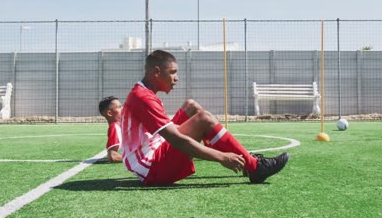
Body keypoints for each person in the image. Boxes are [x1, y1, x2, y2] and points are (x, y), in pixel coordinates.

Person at [120, 50, 289, 185]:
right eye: (172, 73)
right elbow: (177, 140)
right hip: (152, 170)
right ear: (156, 72)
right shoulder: (143, 98)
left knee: (191, 106)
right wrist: (221, 157)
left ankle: (244, 160)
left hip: (154, 154)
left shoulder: (142, 93)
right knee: (204, 119)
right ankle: (255, 167)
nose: (176, 78)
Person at [98, 96, 123, 163]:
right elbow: (113, 156)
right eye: (119, 107)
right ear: (109, 113)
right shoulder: (115, 126)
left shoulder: (120, 126)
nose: (123, 109)